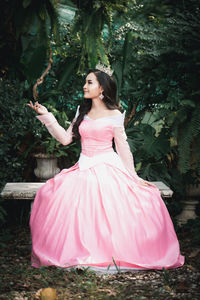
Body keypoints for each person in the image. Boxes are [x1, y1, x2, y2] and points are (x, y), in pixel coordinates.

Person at [28, 67, 184, 273]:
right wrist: (47, 116)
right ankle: (79, 250)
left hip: (108, 165)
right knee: (53, 194)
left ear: (102, 87)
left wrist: (134, 176)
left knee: (127, 200)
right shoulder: (82, 112)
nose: (84, 86)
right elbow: (65, 139)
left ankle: (117, 251)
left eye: (90, 82)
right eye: (85, 82)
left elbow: (123, 147)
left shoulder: (115, 114)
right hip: (83, 166)